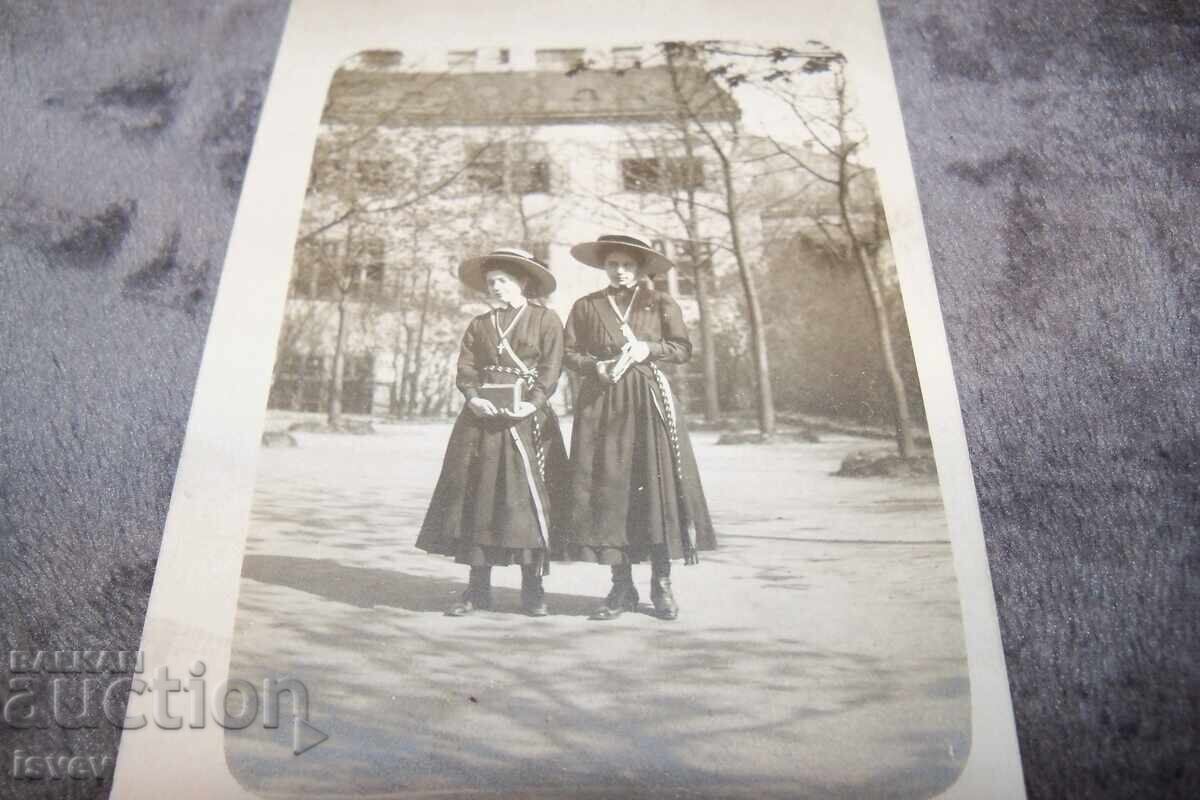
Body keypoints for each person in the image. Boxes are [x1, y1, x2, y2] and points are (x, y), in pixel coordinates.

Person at [559, 233, 716, 620]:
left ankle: (661, 583)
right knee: (610, 491)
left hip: (648, 400)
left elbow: (682, 348)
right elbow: (568, 353)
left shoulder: (659, 302)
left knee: (654, 487)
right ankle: (621, 586)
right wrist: (594, 366)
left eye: (628, 265)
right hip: (602, 401)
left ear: (640, 268)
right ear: (604, 266)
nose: (620, 271)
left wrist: (650, 349)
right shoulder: (587, 306)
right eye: (613, 264)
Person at [415, 247, 568, 617]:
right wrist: (472, 397)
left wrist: (533, 403)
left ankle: (533, 589)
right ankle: (477, 589)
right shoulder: (480, 325)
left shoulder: (545, 320)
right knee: (478, 500)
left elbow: (551, 368)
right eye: (491, 282)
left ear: (523, 281)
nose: (495, 287)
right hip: (481, 421)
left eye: (503, 280)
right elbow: (466, 367)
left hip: (526, 420)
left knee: (526, 503)